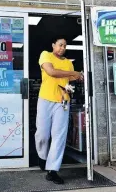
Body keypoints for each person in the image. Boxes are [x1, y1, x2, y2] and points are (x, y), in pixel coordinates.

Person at [35, 36, 83, 184]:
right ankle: (43, 156)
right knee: (42, 134)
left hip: (62, 101)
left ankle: (53, 170)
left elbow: (70, 78)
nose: (62, 48)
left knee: (59, 136)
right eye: (60, 45)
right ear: (53, 45)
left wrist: (78, 77)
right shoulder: (45, 55)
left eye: (65, 46)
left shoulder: (69, 63)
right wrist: (74, 74)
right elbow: (51, 72)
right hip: (45, 99)